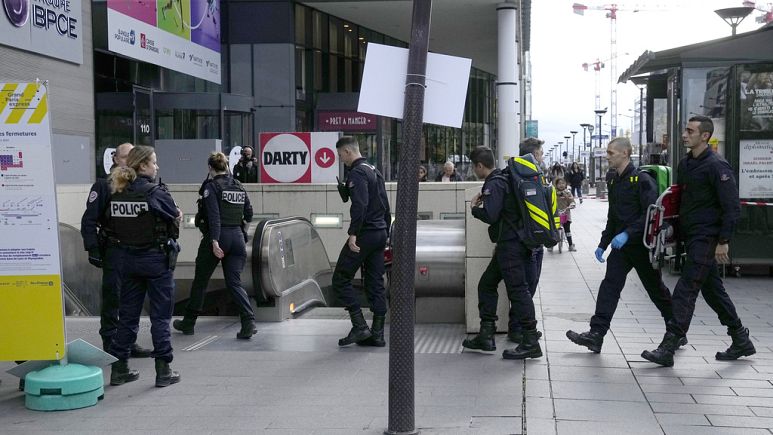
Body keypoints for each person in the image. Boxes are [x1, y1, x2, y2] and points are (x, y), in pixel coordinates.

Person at [642, 116, 755, 367]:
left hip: (708, 237)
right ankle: (740, 338)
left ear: (704, 136)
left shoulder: (717, 166)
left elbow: (731, 206)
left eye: (690, 131)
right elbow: (680, 199)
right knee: (712, 290)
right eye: (685, 130)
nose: (685, 134)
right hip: (691, 237)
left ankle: (669, 345)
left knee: (686, 288)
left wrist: (723, 240)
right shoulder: (685, 164)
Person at [566, 137, 678, 354]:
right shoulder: (614, 180)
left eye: (611, 153)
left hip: (641, 245)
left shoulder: (642, 180)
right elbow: (613, 216)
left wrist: (627, 233)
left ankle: (677, 330)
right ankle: (596, 334)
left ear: (625, 153)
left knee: (656, 290)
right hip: (622, 248)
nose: (607, 157)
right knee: (610, 286)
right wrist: (603, 243)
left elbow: (650, 213)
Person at [106, 146, 181, 388]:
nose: (156, 167)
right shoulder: (155, 192)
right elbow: (175, 215)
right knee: (160, 317)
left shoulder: (117, 192)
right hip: (156, 261)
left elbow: (110, 225)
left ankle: (119, 369)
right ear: (143, 166)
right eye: (154, 163)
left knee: (127, 317)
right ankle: (163, 370)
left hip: (128, 260)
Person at [462, 146, 542, 360]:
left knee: (518, 291)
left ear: (480, 165)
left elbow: (491, 214)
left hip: (510, 246)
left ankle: (531, 340)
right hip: (514, 244)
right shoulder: (505, 179)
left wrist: (474, 208)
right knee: (487, 284)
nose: (474, 170)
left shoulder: (495, 183)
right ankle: (486, 335)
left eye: (474, 166)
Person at [173, 152, 256, 339]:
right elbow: (249, 213)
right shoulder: (238, 186)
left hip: (217, 237)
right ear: (226, 166)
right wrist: (240, 230)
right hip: (237, 238)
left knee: (201, 281)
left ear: (210, 168)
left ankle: (189, 323)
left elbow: (214, 216)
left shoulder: (212, 187)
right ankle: (248, 321)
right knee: (234, 283)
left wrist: (215, 241)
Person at [80, 142, 152, 358]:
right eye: (124, 157)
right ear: (115, 160)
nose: (128, 162)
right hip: (115, 251)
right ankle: (110, 342)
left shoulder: (139, 186)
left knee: (131, 299)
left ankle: (128, 341)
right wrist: (92, 248)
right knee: (113, 298)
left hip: (135, 251)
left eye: (132, 158)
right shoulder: (104, 186)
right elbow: (89, 220)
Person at [333, 136, 391, 347]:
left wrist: (353, 233)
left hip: (365, 234)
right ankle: (377, 333)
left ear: (348, 152)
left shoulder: (357, 172)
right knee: (375, 282)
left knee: (340, 279)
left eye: (341, 156)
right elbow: (384, 204)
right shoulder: (374, 170)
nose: (341, 160)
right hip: (379, 233)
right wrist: (386, 233)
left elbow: (360, 205)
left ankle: (359, 327)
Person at [507, 137, 547, 344]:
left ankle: (521, 327)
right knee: (525, 287)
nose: (542, 158)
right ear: (533, 154)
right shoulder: (517, 175)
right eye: (540, 154)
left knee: (529, 286)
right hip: (526, 241)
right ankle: (518, 329)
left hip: (534, 240)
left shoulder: (533, 176)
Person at [553, 177, 577, 252]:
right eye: (559, 183)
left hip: (565, 213)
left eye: (563, 183)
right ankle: (550, 245)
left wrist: (571, 205)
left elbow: (572, 201)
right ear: (556, 185)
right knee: (552, 229)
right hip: (555, 214)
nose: (561, 185)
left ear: (566, 184)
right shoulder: (553, 193)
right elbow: (549, 201)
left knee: (567, 230)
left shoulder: (568, 192)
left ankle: (570, 245)